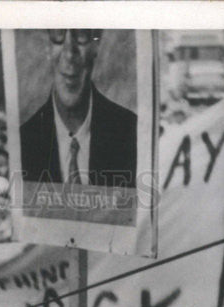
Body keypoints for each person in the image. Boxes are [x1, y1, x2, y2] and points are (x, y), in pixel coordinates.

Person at [20, 29, 137, 189]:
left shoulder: (131, 133)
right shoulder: (23, 142)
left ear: (96, 45)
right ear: (47, 46)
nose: (69, 54)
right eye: (58, 37)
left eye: (81, 35)